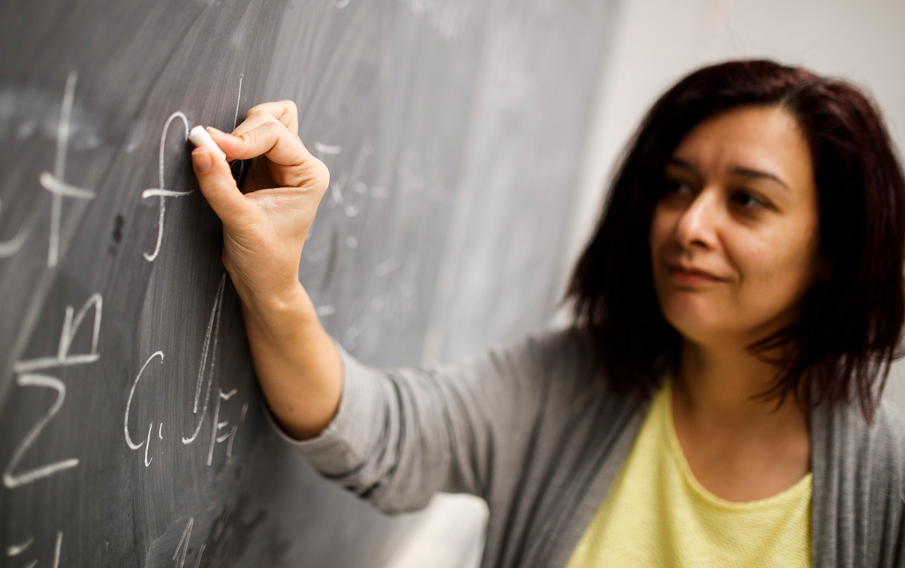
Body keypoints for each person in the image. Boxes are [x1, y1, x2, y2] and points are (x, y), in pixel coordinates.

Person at [188, 60, 905, 567]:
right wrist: (275, 280)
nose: (690, 225)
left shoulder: (884, 494)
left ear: (834, 250)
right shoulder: (577, 382)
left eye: (748, 200)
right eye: (677, 187)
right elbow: (380, 434)